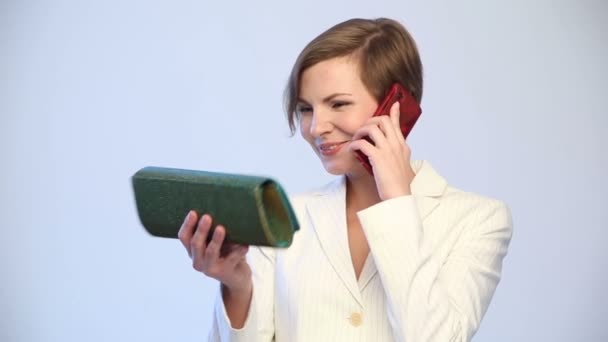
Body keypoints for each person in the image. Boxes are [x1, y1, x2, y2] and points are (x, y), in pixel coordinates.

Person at [178, 17, 513, 342]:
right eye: (305, 108)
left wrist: (397, 201)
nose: (315, 127)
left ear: (396, 105)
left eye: (338, 104)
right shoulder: (282, 219)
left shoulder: (477, 220)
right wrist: (236, 286)